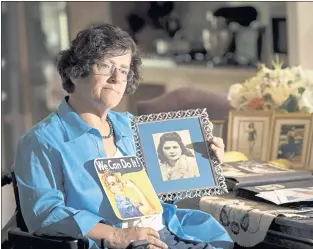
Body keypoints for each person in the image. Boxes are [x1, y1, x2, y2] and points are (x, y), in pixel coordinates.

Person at [14, 24, 232, 249]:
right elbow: (45, 215)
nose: (116, 78)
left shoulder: (130, 125)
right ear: (75, 72)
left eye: (124, 70)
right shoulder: (41, 141)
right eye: (105, 66)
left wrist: (204, 162)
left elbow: (162, 190)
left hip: (166, 230)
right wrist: (116, 236)